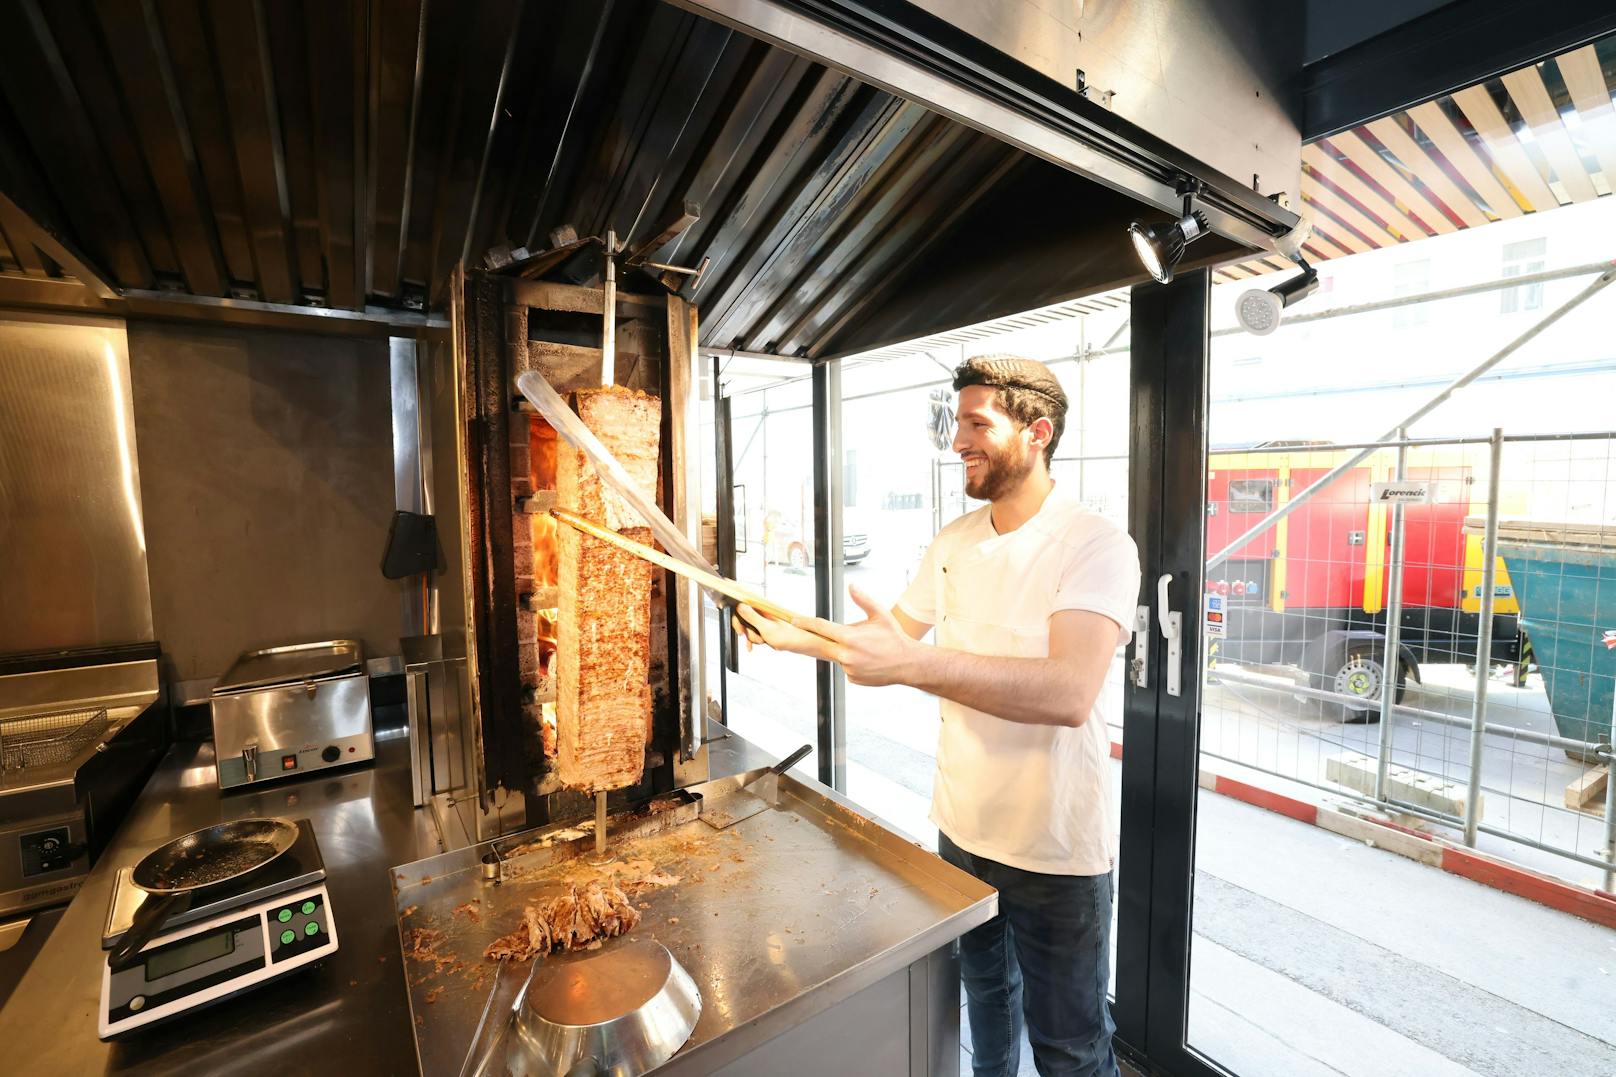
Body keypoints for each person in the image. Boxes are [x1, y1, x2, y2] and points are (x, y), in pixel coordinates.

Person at [734, 355, 1140, 1077]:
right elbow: (895, 639)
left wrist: (910, 666)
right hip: (963, 831)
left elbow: (1068, 691)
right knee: (986, 1014)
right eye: (959, 423)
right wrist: (794, 634)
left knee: (1070, 1047)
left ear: (1037, 431)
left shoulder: (1096, 543)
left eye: (978, 423)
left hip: (1056, 852)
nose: (958, 441)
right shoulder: (955, 540)